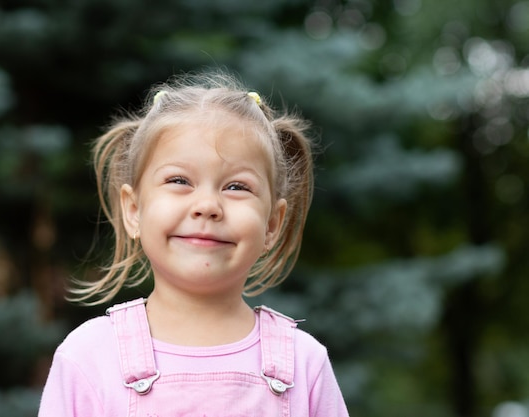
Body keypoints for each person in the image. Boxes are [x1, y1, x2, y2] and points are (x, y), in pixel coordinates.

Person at [38, 71, 349, 417]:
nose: (207, 206)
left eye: (236, 187)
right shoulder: (89, 358)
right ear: (134, 210)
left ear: (272, 223)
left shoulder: (304, 365)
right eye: (179, 180)